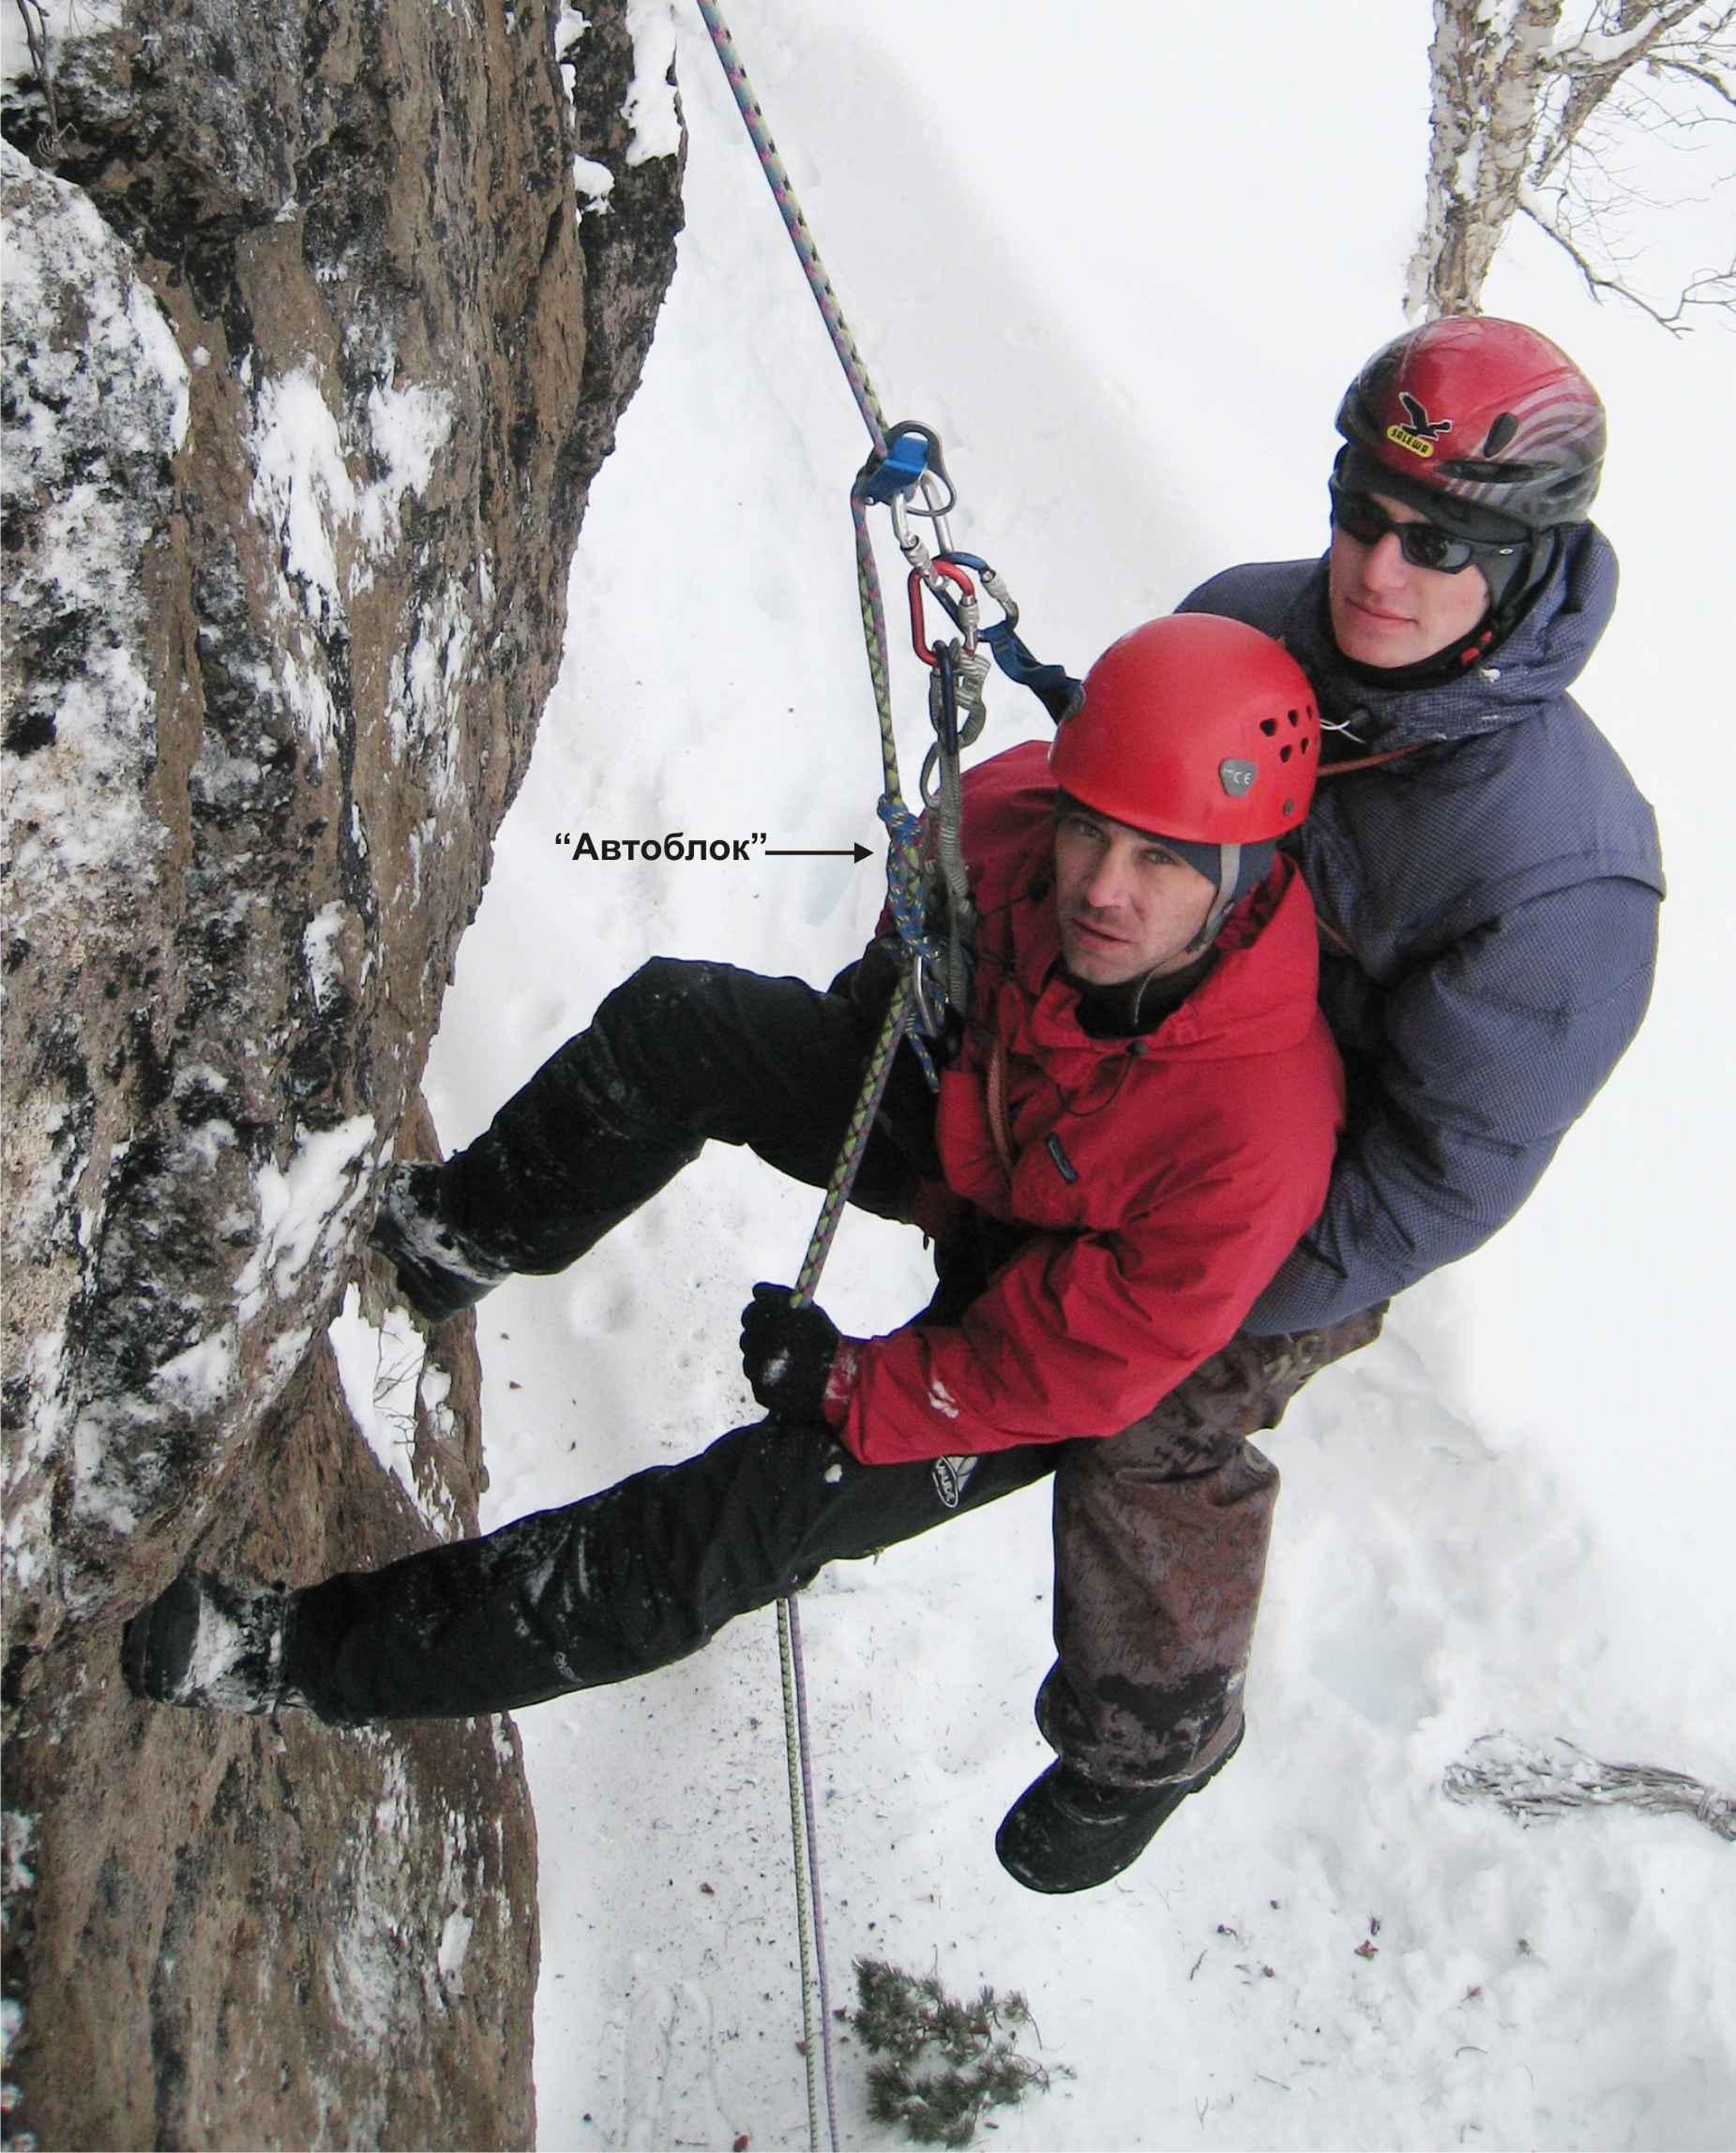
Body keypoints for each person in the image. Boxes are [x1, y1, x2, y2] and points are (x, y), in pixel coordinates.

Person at [123, 612, 1350, 1892]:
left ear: (1248, 871)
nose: (1102, 885)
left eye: (1161, 859)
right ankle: (457, 1235)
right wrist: (899, 997)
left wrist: (852, 1389)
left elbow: (1077, 1370)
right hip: (970, 1130)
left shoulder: (1254, 1132)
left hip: (1053, 1323)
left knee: (715, 1536)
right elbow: (933, 893)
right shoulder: (1009, 827)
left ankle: (284, 1653)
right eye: (1091, 829)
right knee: (681, 1027)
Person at [1031, 313, 1664, 1890]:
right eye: (1361, 515)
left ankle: (1147, 1732)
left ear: (1520, 565)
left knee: (1152, 1411)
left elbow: (1442, 1179)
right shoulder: (1246, 626)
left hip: (1308, 1199)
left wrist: (1208, 1289)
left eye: (1440, 542)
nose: (1379, 570)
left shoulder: (1563, 868)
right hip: (1147, 1066)